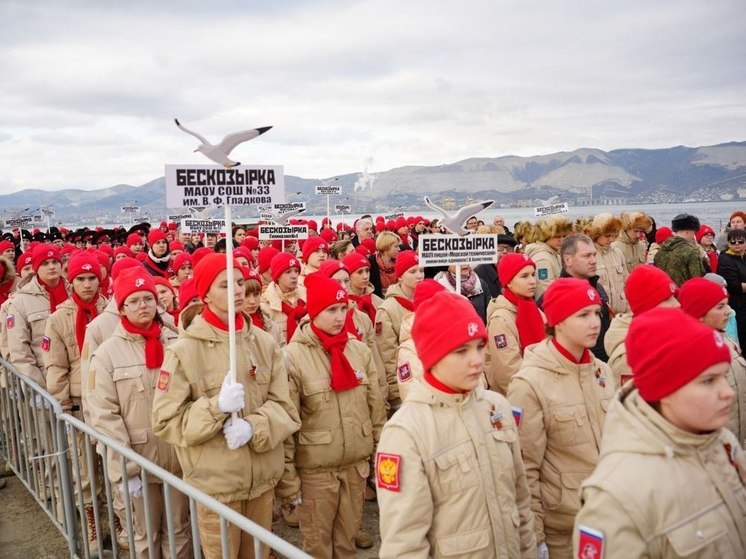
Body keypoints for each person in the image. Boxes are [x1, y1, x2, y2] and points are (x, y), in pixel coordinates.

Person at [152, 253, 300, 559]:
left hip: (260, 480)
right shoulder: (184, 350)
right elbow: (166, 421)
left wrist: (253, 427)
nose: (236, 290)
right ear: (205, 294)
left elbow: (285, 408)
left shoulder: (264, 342)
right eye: (224, 284)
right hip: (217, 485)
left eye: (239, 282)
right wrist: (216, 407)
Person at [573, 308, 744, 559]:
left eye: (723, 377)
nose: (727, 392)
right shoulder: (616, 498)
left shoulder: (722, 443)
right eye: (708, 381)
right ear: (664, 389)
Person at [377, 291, 537, 558]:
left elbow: (520, 502)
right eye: (461, 351)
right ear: (433, 356)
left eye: (479, 346)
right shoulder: (406, 433)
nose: (476, 360)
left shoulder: (496, 407)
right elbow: (404, 545)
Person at [278, 273, 386, 559]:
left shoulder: (358, 351)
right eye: (331, 310)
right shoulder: (292, 357)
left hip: (355, 467)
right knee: (318, 548)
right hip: (315, 473)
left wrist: (379, 457)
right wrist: (289, 481)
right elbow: (287, 424)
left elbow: (375, 408)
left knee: (347, 544)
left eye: (343, 309)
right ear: (314, 312)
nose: (339, 317)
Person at [507, 278, 616, 558]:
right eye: (583, 315)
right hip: (563, 532)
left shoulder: (602, 372)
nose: (595, 323)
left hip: (609, 518)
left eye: (596, 313)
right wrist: (536, 539)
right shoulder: (529, 383)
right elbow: (524, 469)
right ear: (557, 321)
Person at [86, 268, 191, 558]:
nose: (143, 306)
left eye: (148, 298)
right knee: (146, 535)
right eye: (134, 301)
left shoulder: (175, 343)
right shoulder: (107, 354)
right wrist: (126, 467)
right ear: (121, 308)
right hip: (139, 461)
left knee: (179, 529)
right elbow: (104, 416)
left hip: (176, 456)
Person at [43, 252, 108, 552]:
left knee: (112, 465)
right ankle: (93, 524)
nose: (87, 285)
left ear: (100, 279)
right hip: (80, 401)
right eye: (81, 279)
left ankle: (118, 518)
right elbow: (55, 365)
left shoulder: (111, 311)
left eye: (92, 278)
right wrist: (61, 403)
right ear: (71, 282)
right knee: (85, 468)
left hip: (108, 399)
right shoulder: (58, 318)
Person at [679, 277, 746, 446]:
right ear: (700, 313)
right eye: (720, 306)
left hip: (733, 443)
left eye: (726, 304)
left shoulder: (723, 340)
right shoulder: (691, 353)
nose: (729, 311)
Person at [539, 234, 611, 362]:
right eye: (586, 256)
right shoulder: (554, 298)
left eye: (594, 254)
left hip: (600, 367)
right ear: (568, 260)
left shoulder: (596, 288)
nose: (594, 260)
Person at [604, 265, 679, 386]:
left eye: (674, 297)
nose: (677, 304)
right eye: (666, 299)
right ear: (646, 308)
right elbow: (629, 403)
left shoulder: (665, 334)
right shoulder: (628, 359)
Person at [8, 245, 69, 388]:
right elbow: (20, 351)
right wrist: (38, 388)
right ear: (36, 268)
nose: (52, 267)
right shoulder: (21, 301)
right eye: (45, 263)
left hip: (74, 377)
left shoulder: (73, 292)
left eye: (55, 262)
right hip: (45, 377)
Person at [486, 253, 546, 394]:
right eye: (524, 276)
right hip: (519, 396)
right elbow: (508, 370)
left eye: (533, 274)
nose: (532, 281)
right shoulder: (500, 320)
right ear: (509, 282)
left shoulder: (533, 308)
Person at [375, 251, 423, 412]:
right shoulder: (388, 309)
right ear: (400, 276)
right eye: (413, 271)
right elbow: (387, 356)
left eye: (421, 270)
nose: (419, 275)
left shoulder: (426, 301)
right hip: (405, 387)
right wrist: (396, 394)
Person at [260, 252, 307, 345]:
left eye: (296, 271)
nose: (294, 276)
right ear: (277, 276)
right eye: (288, 272)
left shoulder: (307, 298)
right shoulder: (265, 305)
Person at [586, 214, 629, 314]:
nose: (611, 239)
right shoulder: (588, 255)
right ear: (596, 234)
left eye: (613, 236)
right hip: (601, 314)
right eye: (607, 236)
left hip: (621, 313)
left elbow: (626, 281)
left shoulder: (618, 253)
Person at [524, 215, 574, 298]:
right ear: (546, 236)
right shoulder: (542, 259)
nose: (562, 240)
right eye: (557, 236)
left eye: (564, 236)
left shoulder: (554, 253)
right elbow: (544, 291)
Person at [654, 213, 706, 286]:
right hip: (684, 294)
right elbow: (696, 279)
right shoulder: (691, 251)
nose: (693, 235)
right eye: (693, 232)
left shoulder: (661, 250)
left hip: (665, 293)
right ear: (688, 231)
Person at [719, 228, 746, 350]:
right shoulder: (725, 259)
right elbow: (734, 286)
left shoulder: (744, 257)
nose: (737, 244)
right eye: (733, 242)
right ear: (728, 243)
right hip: (738, 306)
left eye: (740, 241)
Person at [474, 234, 518, 300]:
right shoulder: (479, 272)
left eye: (509, 249)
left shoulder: (518, 269)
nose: (505, 251)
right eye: (499, 248)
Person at [368, 231, 401, 297]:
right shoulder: (371, 263)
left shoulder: (400, 261)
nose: (399, 249)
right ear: (386, 247)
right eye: (396, 246)